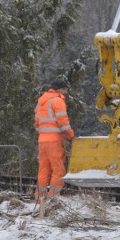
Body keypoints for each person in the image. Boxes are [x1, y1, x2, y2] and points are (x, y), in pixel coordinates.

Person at [34, 79, 75, 209]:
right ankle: (52, 198)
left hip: (42, 141)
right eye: (64, 89)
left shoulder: (41, 102)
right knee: (58, 170)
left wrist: (43, 134)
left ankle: (39, 200)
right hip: (54, 141)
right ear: (58, 89)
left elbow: (36, 124)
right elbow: (63, 122)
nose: (66, 92)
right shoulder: (58, 101)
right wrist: (71, 137)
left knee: (43, 170)